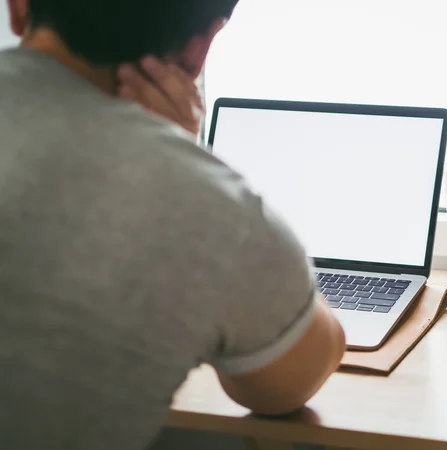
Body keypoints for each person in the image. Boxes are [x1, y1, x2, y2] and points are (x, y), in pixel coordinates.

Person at [0, 0, 346, 449]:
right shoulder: (215, 213)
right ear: (200, 47)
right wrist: (184, 159)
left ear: (18, 7)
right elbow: (284, 388)